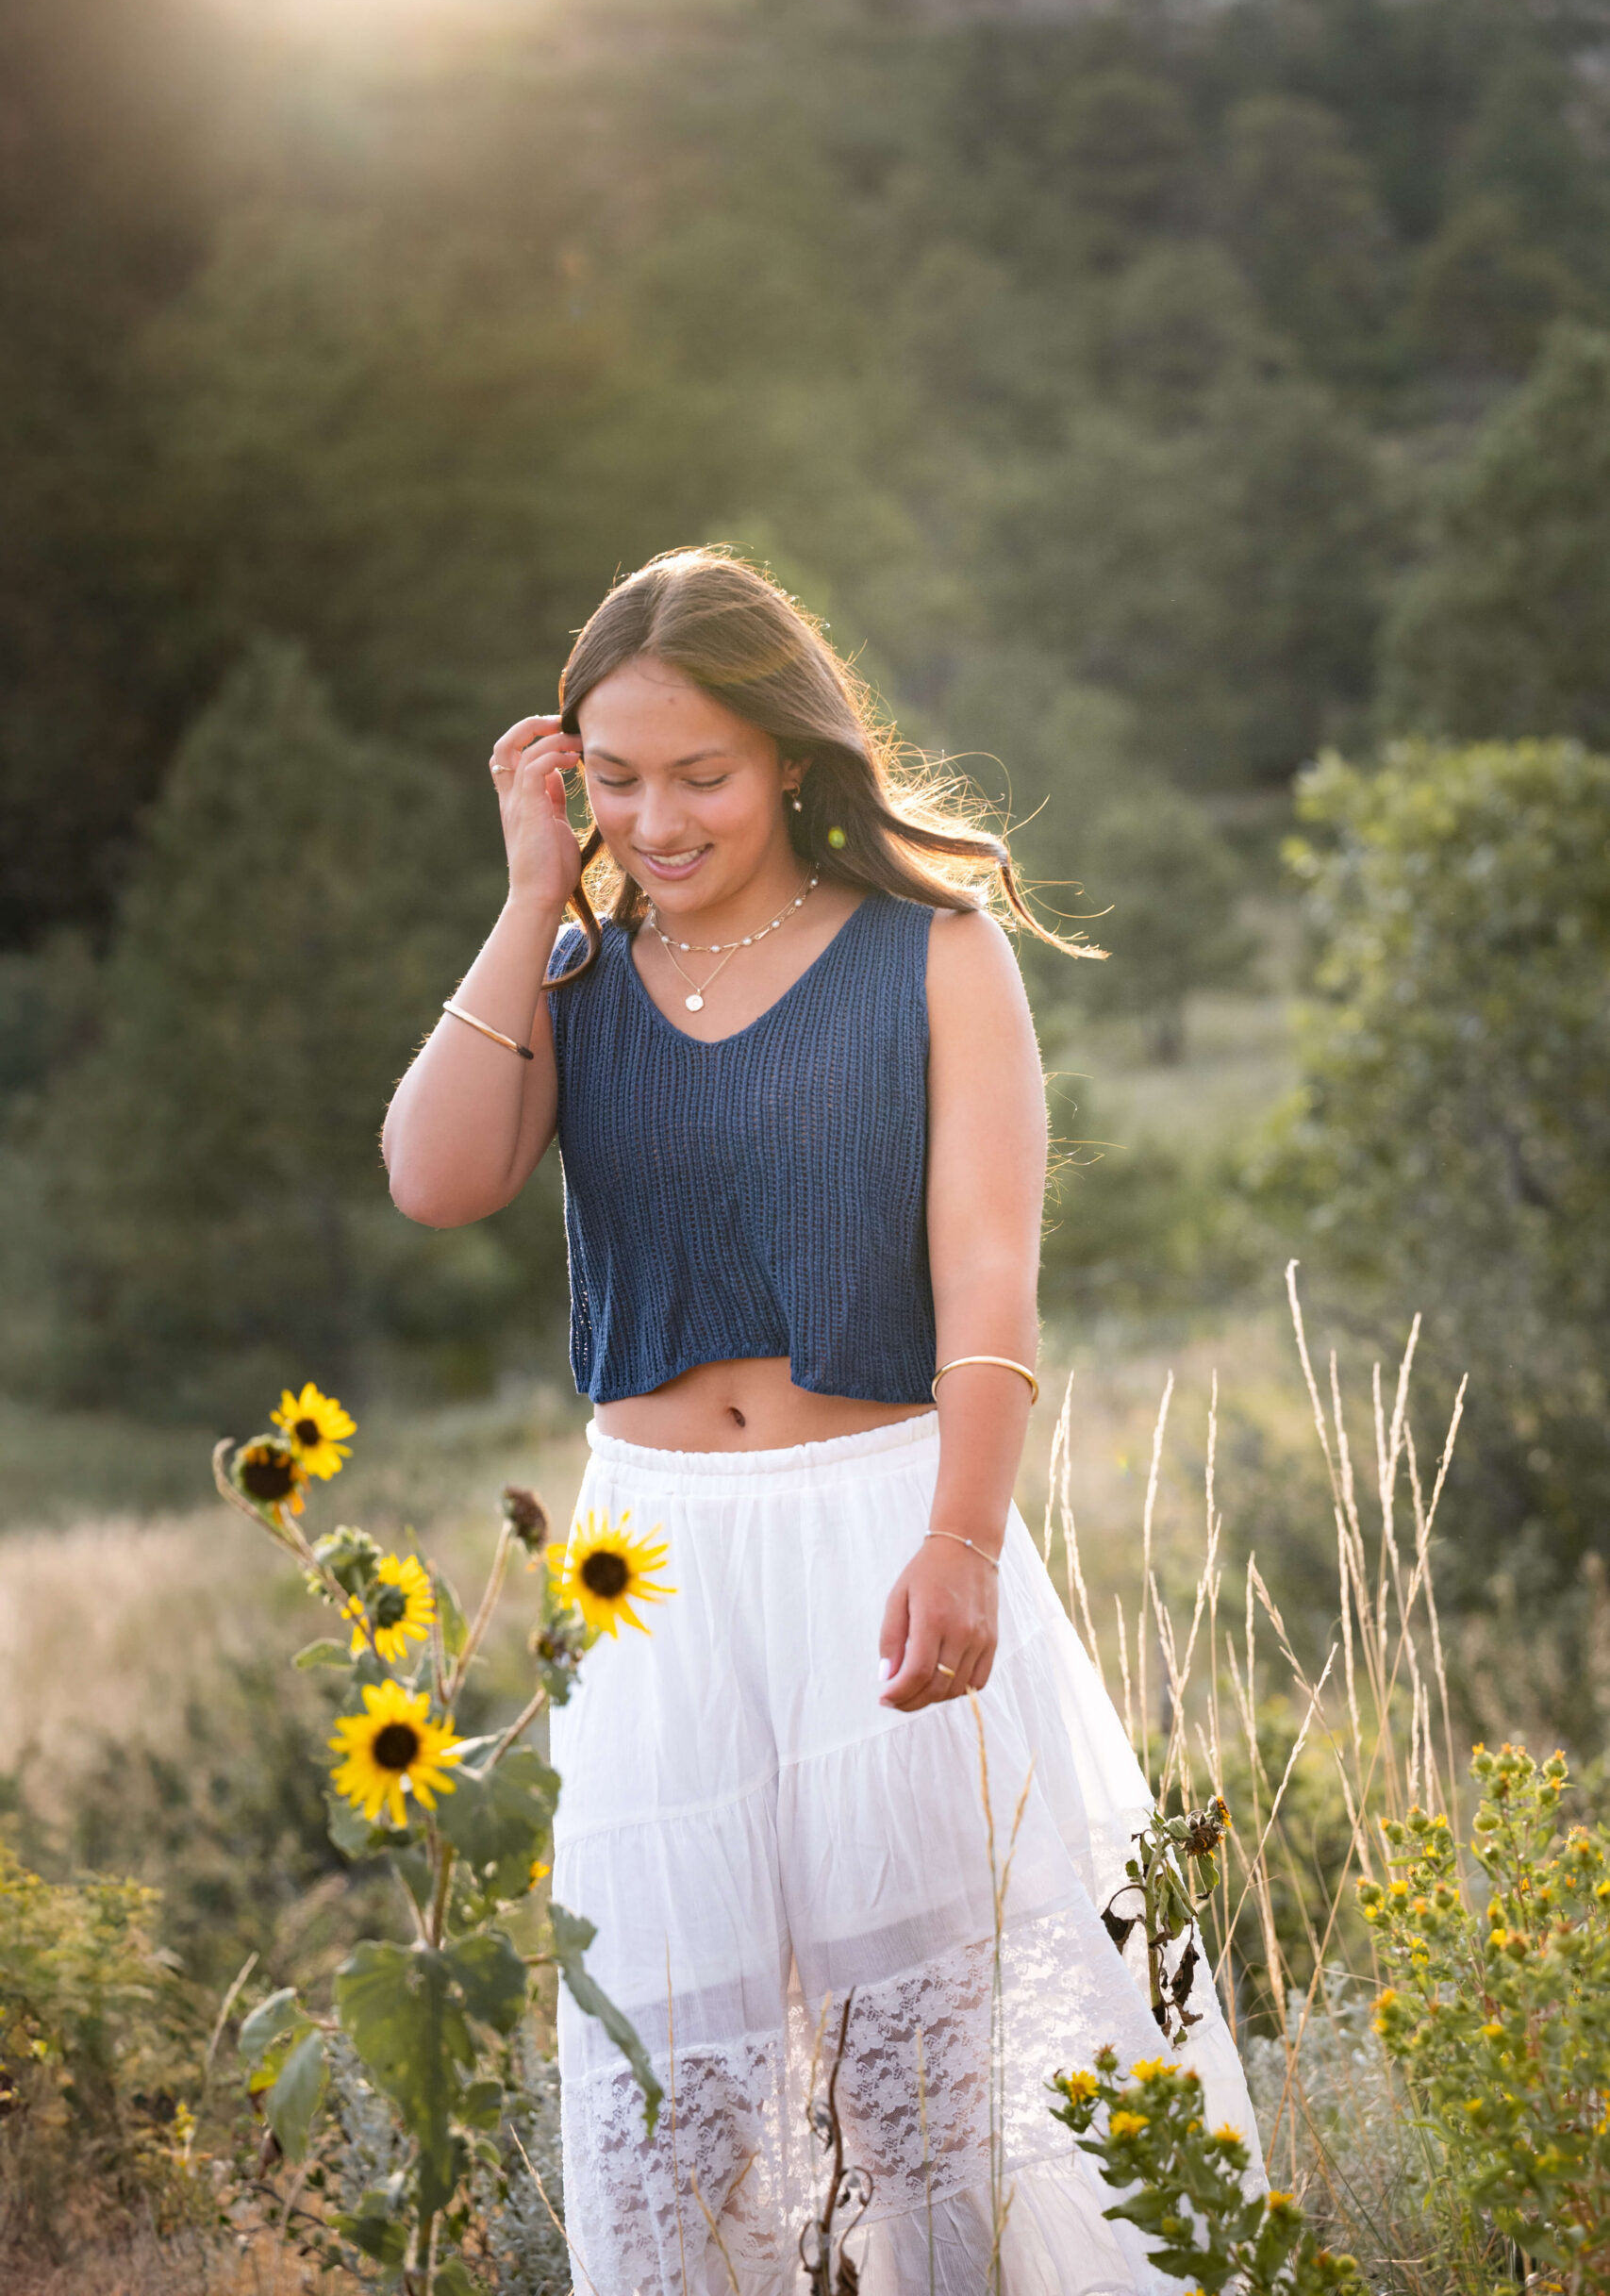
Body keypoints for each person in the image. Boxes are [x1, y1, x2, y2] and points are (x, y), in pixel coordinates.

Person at [382, 550, 1261, 2294]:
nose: (660, 817)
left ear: (789, 753)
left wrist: (963, 1540)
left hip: (880, 1526)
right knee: (676, 2067)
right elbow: (435, 1177)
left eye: (698, 773)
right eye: (615, 780)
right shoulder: (568, 977)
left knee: (948, 2068)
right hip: (651, 1570)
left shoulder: (933, 957)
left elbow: (993, 1283)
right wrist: (526, 892)